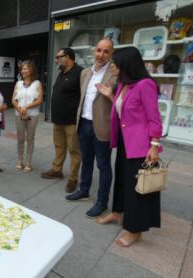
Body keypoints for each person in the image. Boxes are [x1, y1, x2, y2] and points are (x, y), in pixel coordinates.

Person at [95, 46, 163, 247]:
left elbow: (154, 118)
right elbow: (122, 108)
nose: (112, 66)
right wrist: (109, 95)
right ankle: (117, 213)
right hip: (125, 142)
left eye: (115, 63)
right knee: (122, 181)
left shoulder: (145, 85)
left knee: (137, 189)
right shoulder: (124, 84)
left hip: (141, 145)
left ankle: (135, 230)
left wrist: (154, 146)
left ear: (127, 65)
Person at [66, 38, 118, 218]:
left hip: (102, 126)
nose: (101, 55)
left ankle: (102, 202)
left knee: (103, 165)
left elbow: (120, 103)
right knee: (86, 160)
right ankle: (84, 190)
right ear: (94, 51)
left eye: (106, 51)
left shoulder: (116, 74)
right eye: (99, 50)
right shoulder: (85, 73)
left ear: (111, 54)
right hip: (84, 123)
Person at [41, 48, 83, 192]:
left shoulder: (80, 73)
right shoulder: (61, 73)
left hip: (71, 121)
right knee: (59, 146)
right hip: (58, 120)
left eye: (59, 57)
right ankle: (57, 170)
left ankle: (73, 178)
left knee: (74, 150)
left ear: (69, 57)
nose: (56, 60)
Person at [12, 60, 43, 171]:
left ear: (31, 70)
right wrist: (20, 109)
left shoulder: (37, 83)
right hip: (19, 113)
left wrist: (27, 107)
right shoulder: (18, 84)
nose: (23, 70)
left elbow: (40, 100)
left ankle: (29, 162)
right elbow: (13, 100)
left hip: (32, 114)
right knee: (20, 138)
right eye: (22, 69)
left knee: (30, 138)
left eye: (25, 68)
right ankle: (20, 160)